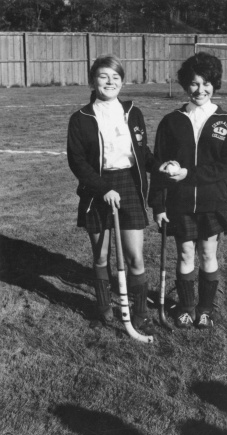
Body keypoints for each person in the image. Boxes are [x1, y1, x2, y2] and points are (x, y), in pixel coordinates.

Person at [149, 52, 227, 330]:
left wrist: (190, 174)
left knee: (207, 253)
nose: (200, 90)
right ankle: (187, 307)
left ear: (215, 84)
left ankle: (205, 309)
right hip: (179, 202)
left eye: (206, 83)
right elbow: (159, 166)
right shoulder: (171, 121)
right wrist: (159, 205)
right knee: (186, 254)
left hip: (212, 201)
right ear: (185, 86)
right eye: (194, 83)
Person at [67, 54, 159, 334]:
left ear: (122, 81)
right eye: (104, 76)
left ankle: (140, 313)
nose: (110, 82)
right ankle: (104, 309)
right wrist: (102, 188)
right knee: (101, 255)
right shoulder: (81, 118)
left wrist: (160, 166)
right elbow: (77, 161)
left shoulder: (133, 111)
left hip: (129, 185)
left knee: (135, 257)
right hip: (97, 188)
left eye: (116, 77)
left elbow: (142, 153)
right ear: (93, 81)